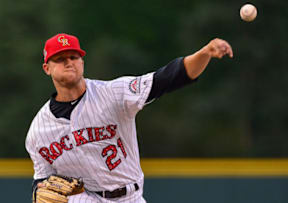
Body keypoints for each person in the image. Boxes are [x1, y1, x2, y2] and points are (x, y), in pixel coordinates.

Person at [25, 33, 233, 203]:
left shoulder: (113, 93)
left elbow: (168, 77)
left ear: (82, 62)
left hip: (130, 197)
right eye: (60, 59)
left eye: (74, 57)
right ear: (47, 68)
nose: (69, 63)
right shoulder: (38, 131)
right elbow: (42, 179)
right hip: (87, 199)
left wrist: (204, 53)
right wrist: (37, 190)